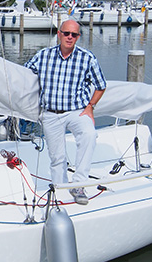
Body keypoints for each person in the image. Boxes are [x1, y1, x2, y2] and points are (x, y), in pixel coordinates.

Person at [24, 19, 106, 204]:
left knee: (89, 135)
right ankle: (61, 190)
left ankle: (79, 185)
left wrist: (90, 107)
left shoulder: (87, 58)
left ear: (78, 37)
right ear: (59, 34)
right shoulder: (43, 55)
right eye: (66, 33)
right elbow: (24, 75)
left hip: (77, 111)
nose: (70, 37)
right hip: (51, 113)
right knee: (57, 157)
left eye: (74, 34)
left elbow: (101, 86)